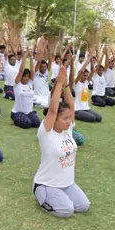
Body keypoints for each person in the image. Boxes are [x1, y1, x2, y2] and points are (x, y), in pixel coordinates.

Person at [33, 66, 90, 218]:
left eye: (68, 118)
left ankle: (60, 196)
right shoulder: (46, 132)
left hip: (67, 184)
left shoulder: (67, 130)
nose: (68, 121)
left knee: (84, 206)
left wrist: (65, 86)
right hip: (47, 184)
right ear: (54, 119)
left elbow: (71, 107)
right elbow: (52, 110)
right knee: (67, 211)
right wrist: (58, 83)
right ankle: (40, 195)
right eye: (64, 118)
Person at [10, 46, 41, 129]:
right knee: (27, 124)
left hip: (29, 112)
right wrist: (26, 54)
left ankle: (30, 115)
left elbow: (32, 70)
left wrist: (31, 57)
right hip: (18, 112)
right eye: (24, 76)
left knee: (37, 123)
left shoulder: (30, 83)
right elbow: (21, 71)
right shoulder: (17, 84)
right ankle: (16, 118)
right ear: (21, 77)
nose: (27, 78)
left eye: (28, 76)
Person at [74, 53, 102, 122]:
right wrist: (88, 59)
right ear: (80, 75)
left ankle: (84, 114)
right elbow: (81, 71)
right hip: (78, 109)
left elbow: (92, 71)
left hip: (86, 108)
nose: (85, 77)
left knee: (99, 118)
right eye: (84, 75)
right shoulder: (76, 83)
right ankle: (74, 114)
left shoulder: (86, 82)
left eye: (86, 76)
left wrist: (91, 59)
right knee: (92, 118)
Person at [33, 38, 51, 108]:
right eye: (42, 67)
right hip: (37, 96)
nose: (44, 68)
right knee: (47, 105)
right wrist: (43, 47)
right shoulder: (36, 72)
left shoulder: (47, 72)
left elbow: (50, 60)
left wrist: (48, 49)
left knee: (59, 101)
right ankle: (37, 104)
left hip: (47, 95)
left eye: (45, 67)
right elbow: (40, 60)